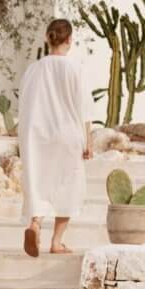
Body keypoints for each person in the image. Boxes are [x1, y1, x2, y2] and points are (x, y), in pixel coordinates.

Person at [18, 18, 92, 257]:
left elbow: (25, 105)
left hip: (37, 135)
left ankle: (35, 223)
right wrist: (88, 141)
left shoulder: (33, 69)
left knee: (40, 182)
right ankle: (57, 242)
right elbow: (84, 110)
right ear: (69, 39)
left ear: (48, 39)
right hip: (68, 134)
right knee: (68, 186)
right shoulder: (75, 68)